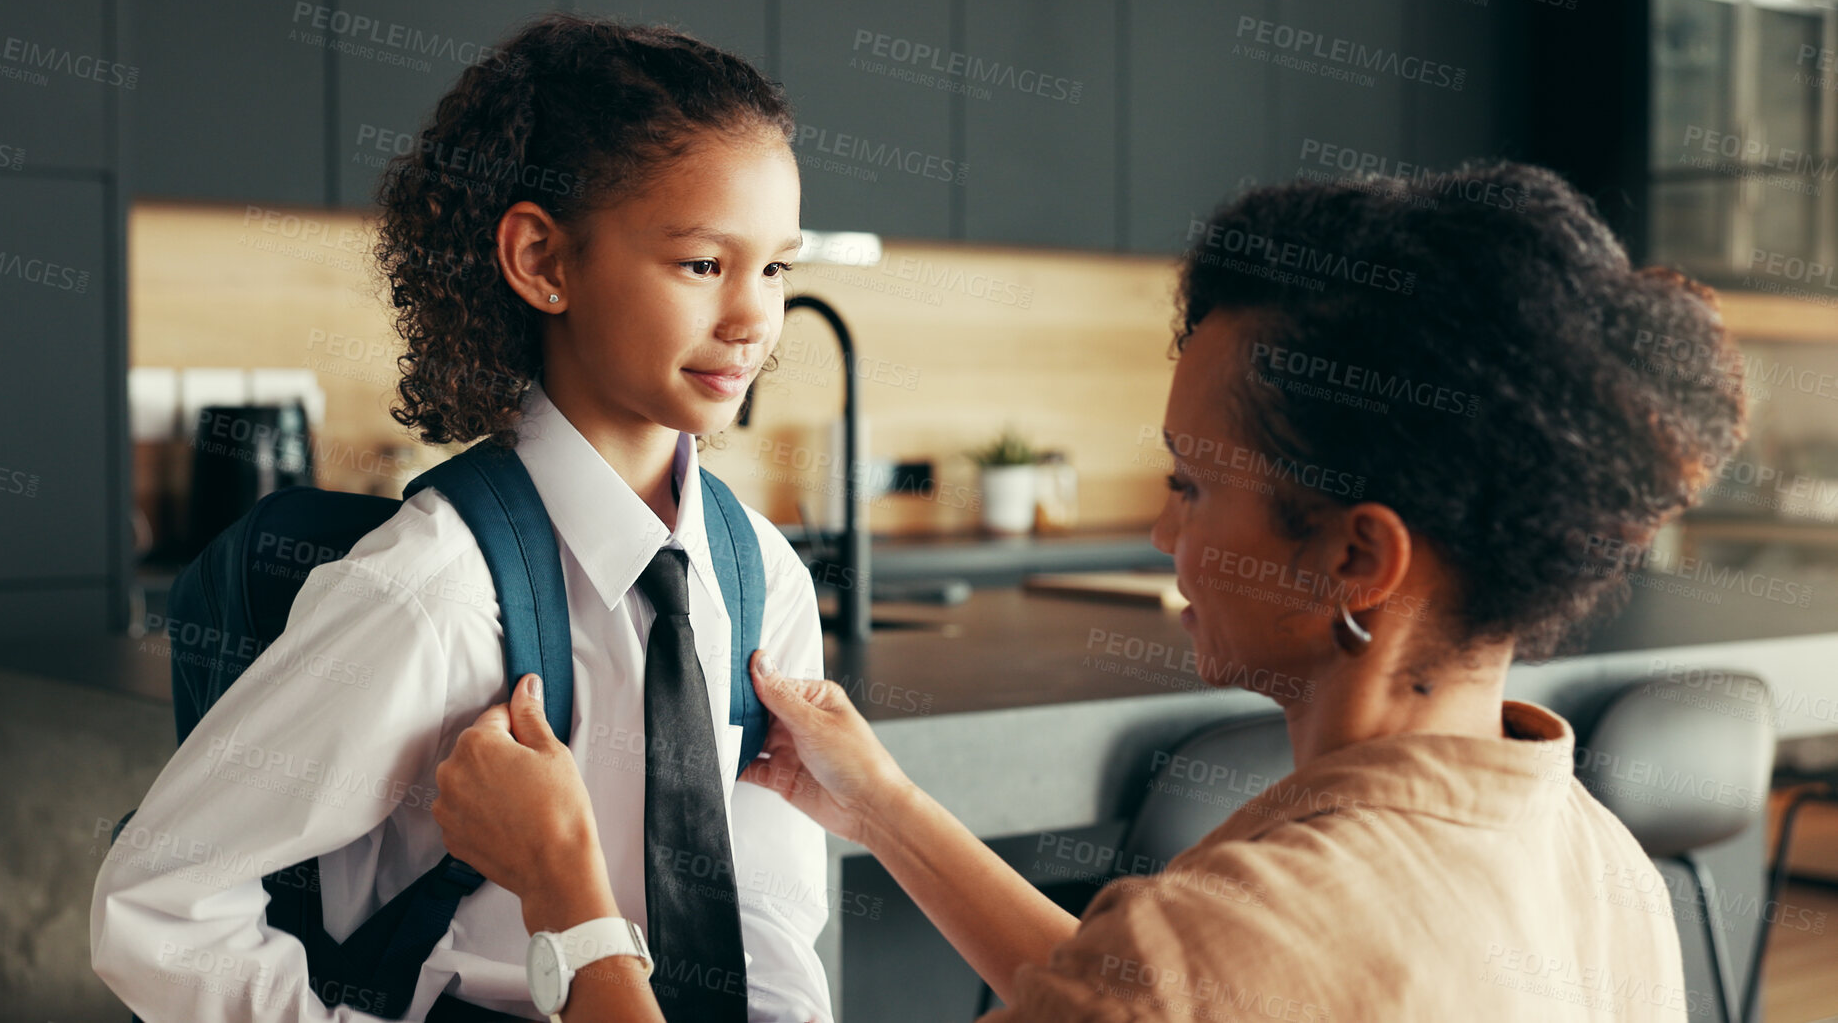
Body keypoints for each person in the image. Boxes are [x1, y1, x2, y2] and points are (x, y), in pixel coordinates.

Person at [430, 161, 1747, 1021]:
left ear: (1356, 559)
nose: (1166, 535)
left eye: (1187, 483)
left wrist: (569, 896)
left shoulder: (1204, 959)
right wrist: (878, 801)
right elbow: (1119, 987)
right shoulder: (1598, 863)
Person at [92, 14, 833, 1022]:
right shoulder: (432, 594)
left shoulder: (762, 578)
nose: (755, 319)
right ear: (542, 259)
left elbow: (774, 926)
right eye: (704, 264)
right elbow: (158, 905)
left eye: (778, 267)